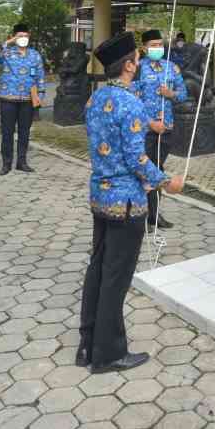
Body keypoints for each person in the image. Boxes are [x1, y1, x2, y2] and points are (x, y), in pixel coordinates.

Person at [79, 31, 184, 372]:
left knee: (97, 270)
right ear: (127, 66)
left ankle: (87, 346)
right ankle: (108, 354)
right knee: (115, 278)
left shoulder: (95, 98)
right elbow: (136, 159)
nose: (140, 64)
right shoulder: (132, 103)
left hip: (99, 195)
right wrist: (167, 182)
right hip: (126, 202)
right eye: (137, 60)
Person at [134, 29, 187, 229]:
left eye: (160, 44)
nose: (158, 48)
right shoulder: (138, 68)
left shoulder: (171, 68)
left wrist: (170, 93)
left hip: (167, 128)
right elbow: (133, 103)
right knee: (145, 171)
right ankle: (142, 216)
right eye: (153, 45)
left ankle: (154, 215)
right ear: (145, 48)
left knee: (157, 169)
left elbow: (183, 94)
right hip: (145, 130)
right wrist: (150, 123)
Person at [0, 21, 45, 175]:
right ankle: (6, 163)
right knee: (7, 132)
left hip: (27, 100)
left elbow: (40, 76)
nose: (23, 38)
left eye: (26, 36)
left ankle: (21, 161)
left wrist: (40, 96)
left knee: (24, 132)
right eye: (20, 36)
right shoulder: (6, 53)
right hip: (8, 99)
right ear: (14, 37)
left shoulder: (35, 55)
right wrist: (8, 42)